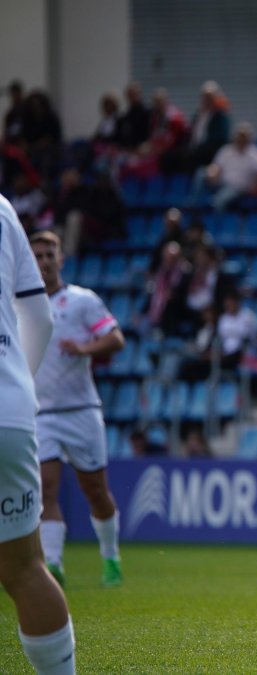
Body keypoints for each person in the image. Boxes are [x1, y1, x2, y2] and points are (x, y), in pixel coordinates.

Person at [0, 195, 77, 674]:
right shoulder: (3, 208)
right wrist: (16, 390)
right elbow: (40, 317)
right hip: (9, 409)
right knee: (26, 568)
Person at [28, 231, 127, 589]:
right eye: (36, 255)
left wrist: (86, 348)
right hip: (41, 413)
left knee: (96, 491)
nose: (43, 262)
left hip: (81, 409)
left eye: (49, 254)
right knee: (46, 489)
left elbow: (115, 338)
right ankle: (53, 565)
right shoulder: (21, 303)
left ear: (60, 259)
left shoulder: (82, 300)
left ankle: (110, 554)